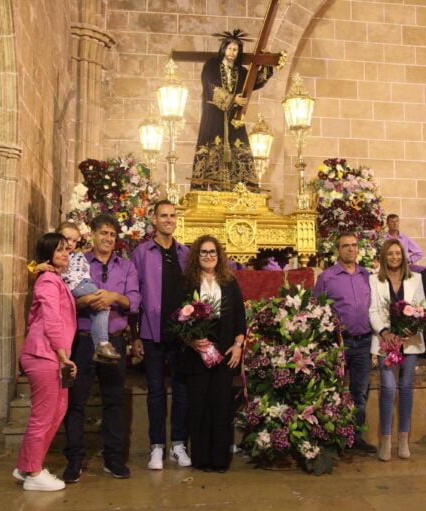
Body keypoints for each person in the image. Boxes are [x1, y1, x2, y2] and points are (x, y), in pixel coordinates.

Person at [61, 214, 140, 482]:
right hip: (83, 340)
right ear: (92, 235)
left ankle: (113, 459)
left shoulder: (126, 266)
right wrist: (86, 303)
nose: (108, 238)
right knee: (76, 401)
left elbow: (135, 301)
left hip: (114, 340)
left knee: (114, 401)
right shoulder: (78, 262)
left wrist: (113, 297)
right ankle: (74, 460)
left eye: (112, 235)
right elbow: (63, 297)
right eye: (103, 233)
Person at [131, 200, 192, 470]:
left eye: (172, 215)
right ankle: (157, 447)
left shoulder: (185, 253)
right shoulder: (142, 253)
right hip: (152, 331)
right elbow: (134, 294)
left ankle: (179, 444)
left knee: (181, 391)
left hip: (180, 333)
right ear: (154, 220)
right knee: (155, 391)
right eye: (163, 215)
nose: (168, 220)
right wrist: (134, 334)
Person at [14, 233, 77, 491]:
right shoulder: (49, 280)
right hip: (44, 354)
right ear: (47, 254)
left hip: (52, 355)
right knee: (44, 415)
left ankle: (28, 465)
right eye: (59, 250)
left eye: (67, 250)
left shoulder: (54, 279)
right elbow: (51, 320)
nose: (65, 254)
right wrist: (63, 356)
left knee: (57, 411)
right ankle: (34, 472)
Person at [182, 235, 245, 472]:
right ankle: (201, 458)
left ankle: (220, 459)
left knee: (221, 404)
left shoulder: (229, 282)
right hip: (197, 349)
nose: (209, 256)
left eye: (213, 252)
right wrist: (192, 339)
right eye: (204, 252)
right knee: (199, 404)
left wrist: (238, 345)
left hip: (225, 348)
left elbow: (240, 316)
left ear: (219, 256)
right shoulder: (188, 283)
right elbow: (179, 314)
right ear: (196, 256)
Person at [313, 232, 378, 456]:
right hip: (339, 344)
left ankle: (355, 437)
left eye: (354, 245)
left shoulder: (366, 276)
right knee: (334, 391)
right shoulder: (327, 277)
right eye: (345, 246)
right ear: (337, 250)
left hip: (364, 343)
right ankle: (332, 437)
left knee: (359, 393)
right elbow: (316, 309)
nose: (351, 249)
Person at [190, 29, 273, 191]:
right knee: (212, 150)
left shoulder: (240, 71)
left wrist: (266, 63)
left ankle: (240, 188)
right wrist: (232, 99)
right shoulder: (211, 65)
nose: (232, 52)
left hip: (234, 118)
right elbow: (211, 86)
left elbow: (255, 81)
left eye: (235, 49)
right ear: (223, 48)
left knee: (239, 149)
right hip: (213, 115)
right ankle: (211, 187)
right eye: (229, 48)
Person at [369, 239, 426, 461]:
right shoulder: (374, 279)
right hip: (386, 342)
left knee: (406, 388)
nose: (394, 257)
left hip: (410, 342)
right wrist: (385, 333)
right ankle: (386, 440)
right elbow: (373, 310)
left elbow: (421, 308)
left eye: (398, 253)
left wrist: (409, 331)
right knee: (388, 389)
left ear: (403, 255)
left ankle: (403, 439)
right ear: (384, 257)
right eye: (390, 254)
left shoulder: (416, 279)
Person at [33, 222, 119, 364]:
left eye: (74, 240)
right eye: (67, 239)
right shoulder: (59, 257)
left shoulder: (75, 255)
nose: (70, 244)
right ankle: (102, 344)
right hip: (79, 284)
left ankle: (101, 346)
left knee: (100, 308)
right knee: (102, 305)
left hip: (83, 283)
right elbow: (33, 269)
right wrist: (37, 267)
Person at [385, 213, 426, 355]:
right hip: (389, 268)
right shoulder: (383, 238)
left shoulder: (405, 238)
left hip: (407, 267)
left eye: (397, 221)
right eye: (392, 222)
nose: (395, 224)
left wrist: (408, 258)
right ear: (387, 223)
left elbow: (419, 252)